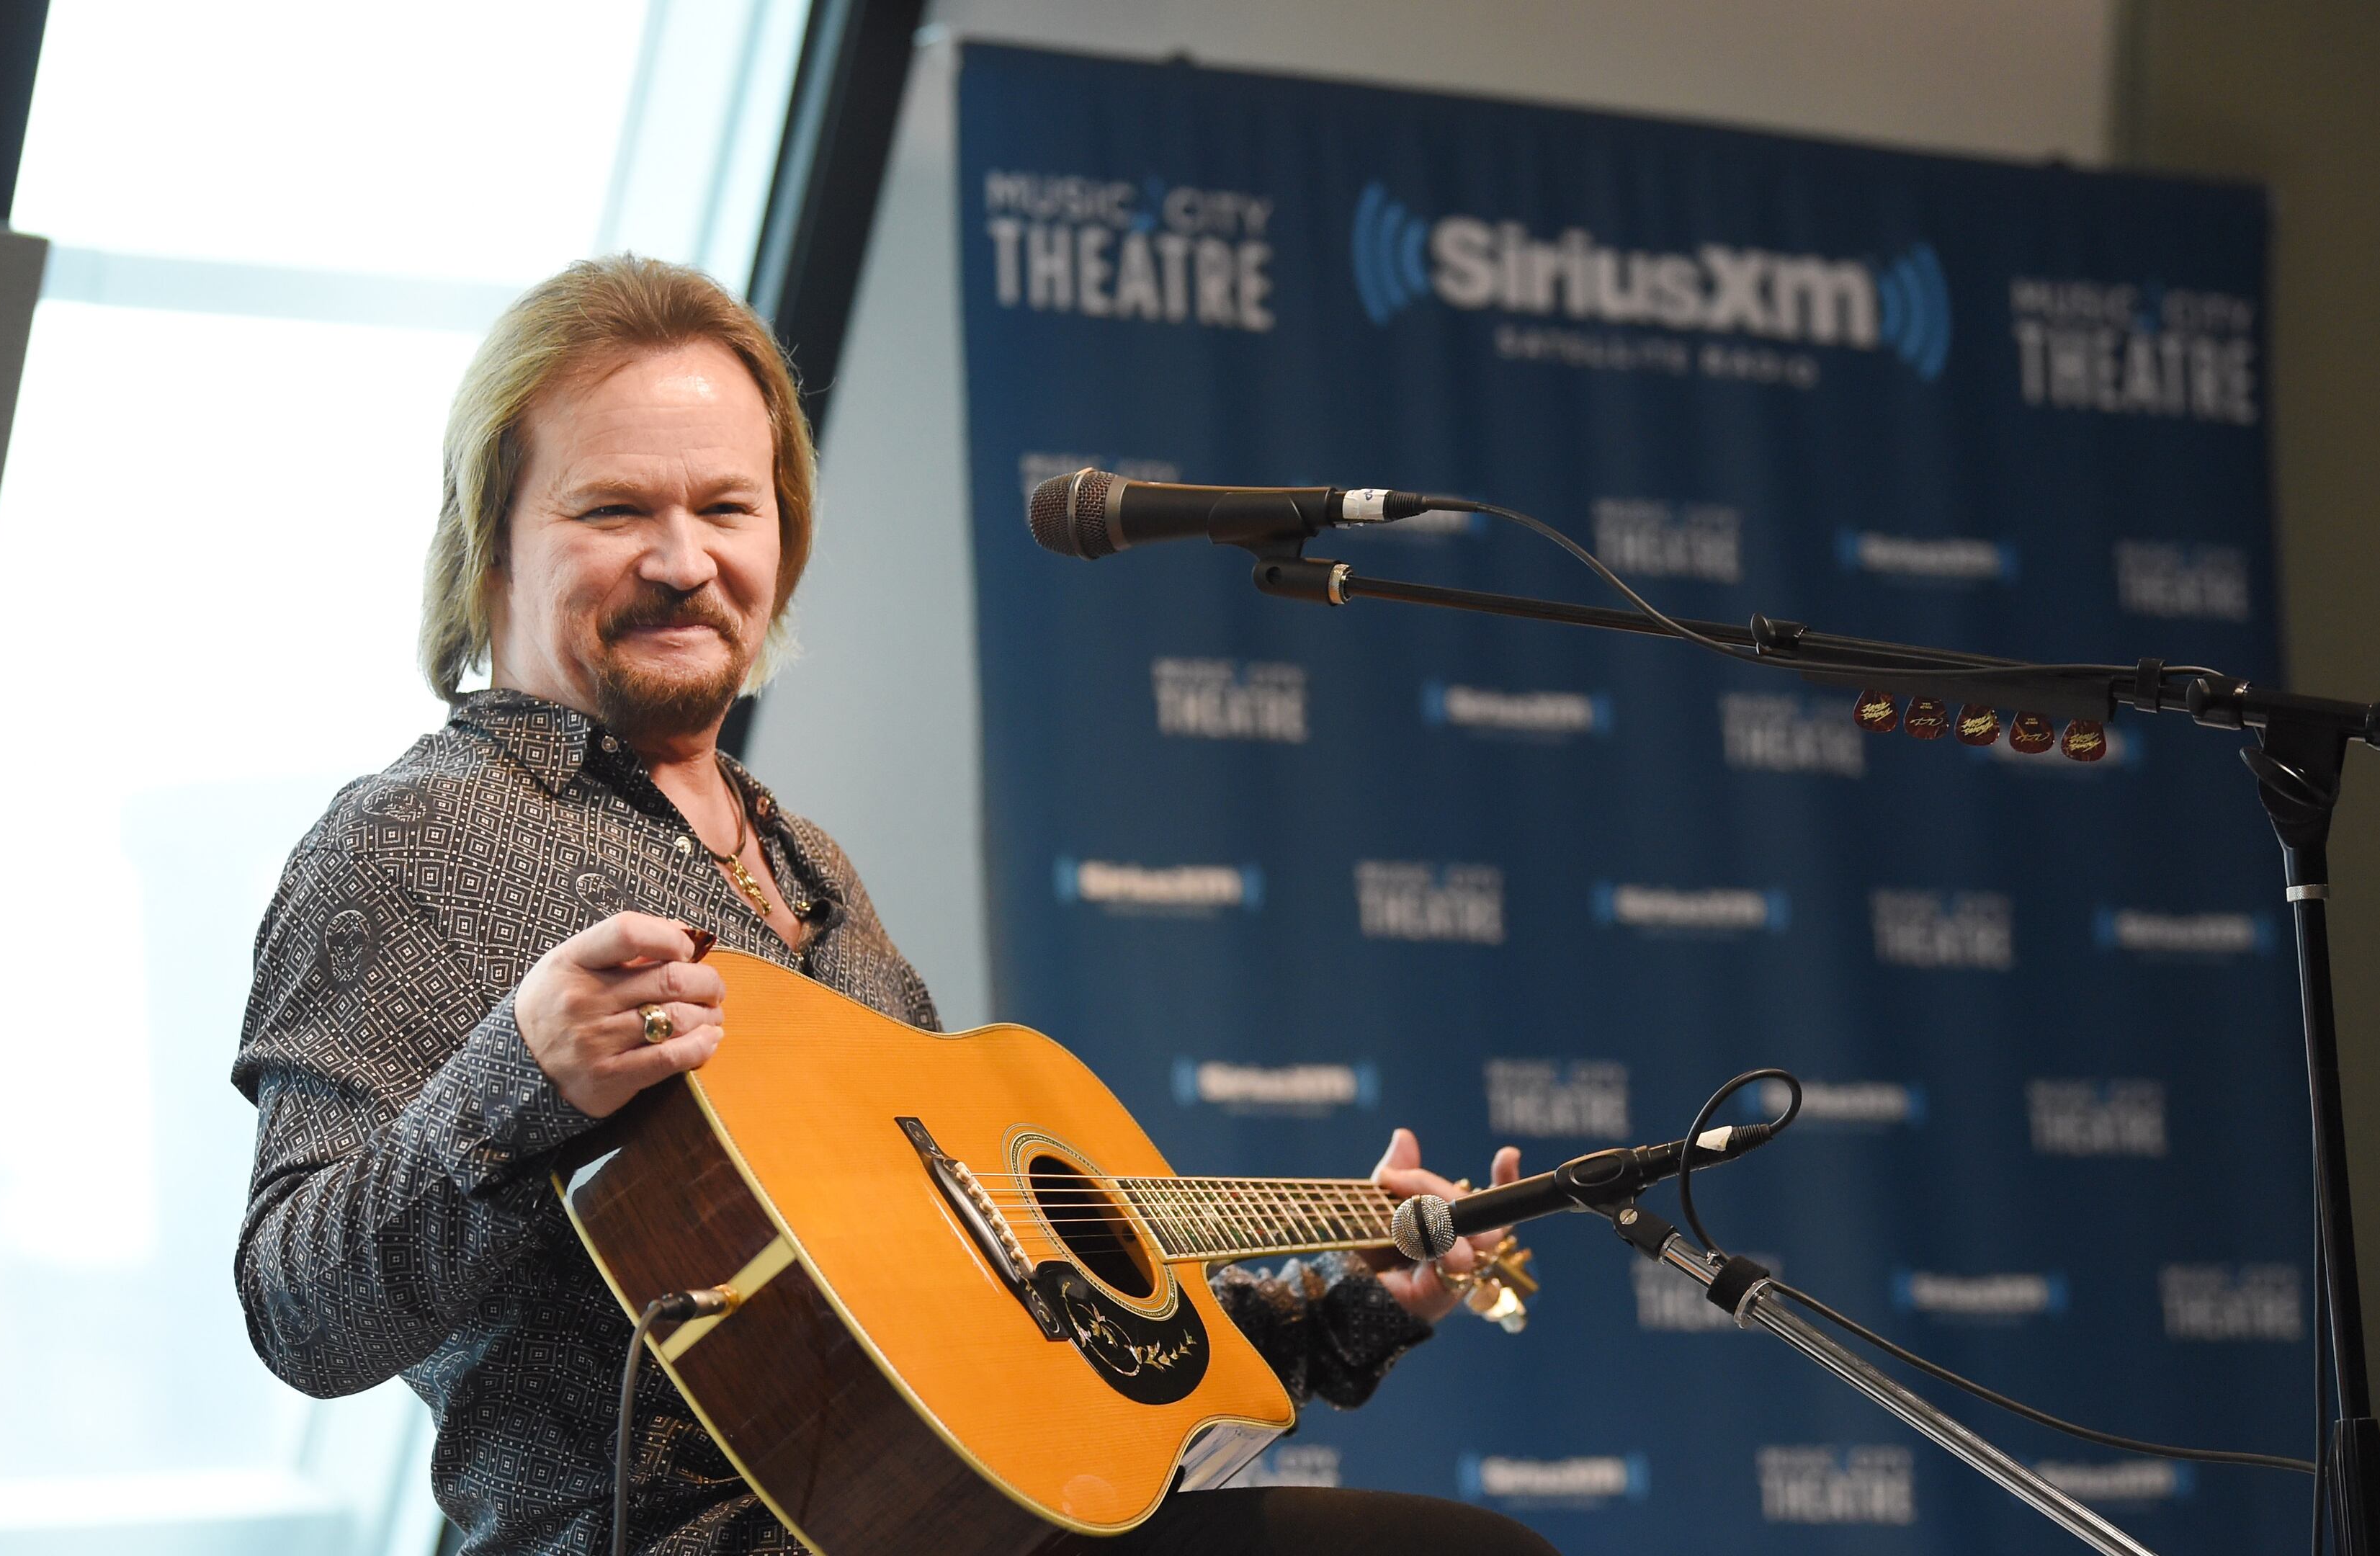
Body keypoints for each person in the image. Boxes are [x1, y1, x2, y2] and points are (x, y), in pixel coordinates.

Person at [232, 255, 1555, 1556]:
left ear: (784, 540)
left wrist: (1357, 1301)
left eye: (728, 510)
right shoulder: (412, 838)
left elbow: (1000, 1354)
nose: (684, 561)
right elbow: (300, 1312)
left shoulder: (808, 862)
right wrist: (521, 1075)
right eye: (615, 509)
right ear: (493, 541)